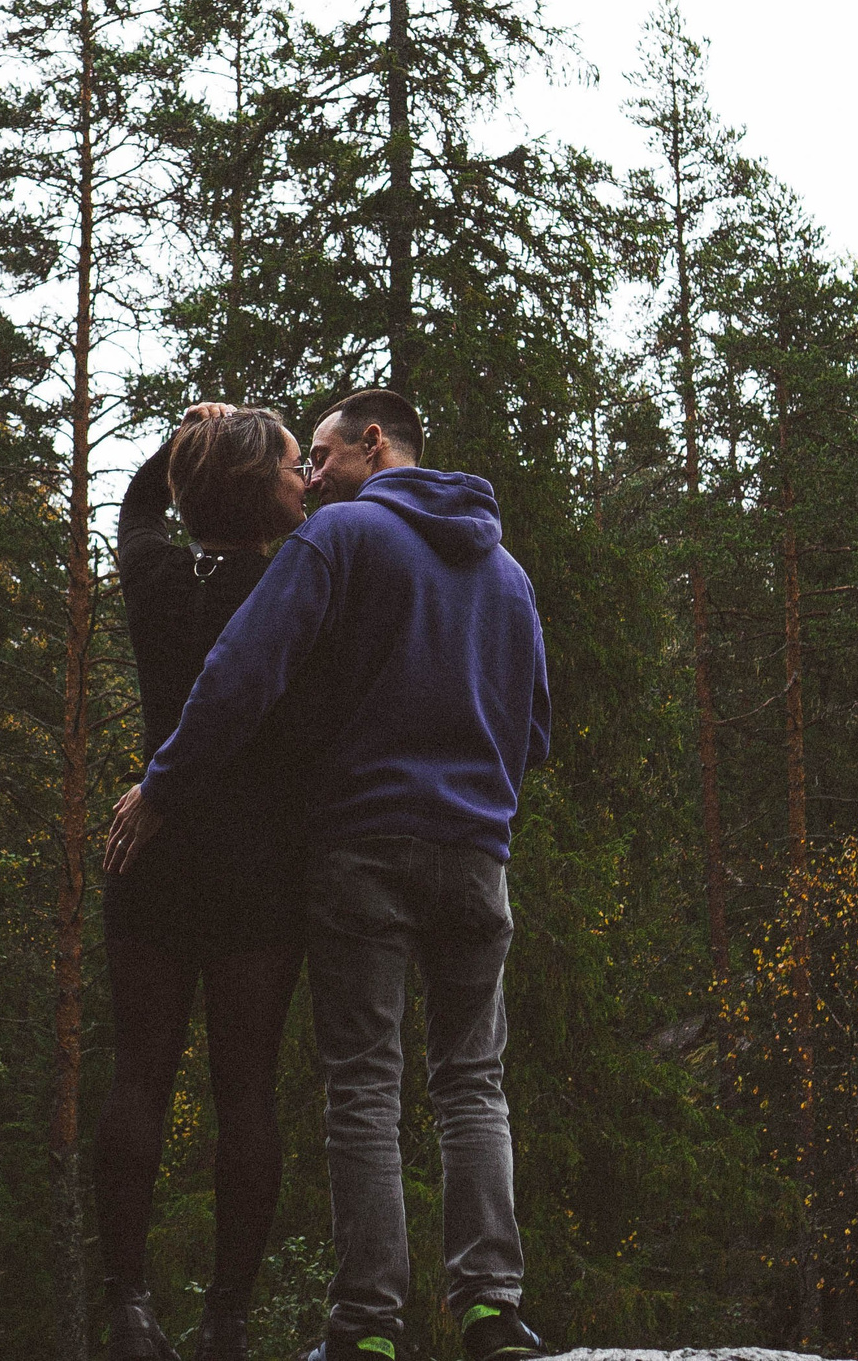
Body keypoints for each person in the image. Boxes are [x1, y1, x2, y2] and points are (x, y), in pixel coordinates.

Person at [107, 389, 554, 1361]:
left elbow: (241, 676)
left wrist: (161, 788)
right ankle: (489, 1310)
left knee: (361, 1086)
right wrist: (475, 798)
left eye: (317, 453)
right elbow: (535, 730)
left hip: (355, 851)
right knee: (471, 1084)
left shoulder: (337, 545)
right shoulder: (508, 574)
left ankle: (363, 1332)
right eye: (292, 462)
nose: (308, 474)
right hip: (466, 854)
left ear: (372, 443)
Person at [97, 403, 316, 1361]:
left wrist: (190, 431)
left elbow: (138, 509)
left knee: (139, 1074)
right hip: (257, 869)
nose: (302, 477)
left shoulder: (151, 574)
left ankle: (130, 1306)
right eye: (290, 467)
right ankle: (226, 1318)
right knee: (248, 1094)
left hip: (152, 855)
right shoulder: (285, 584)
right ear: (258, 488)